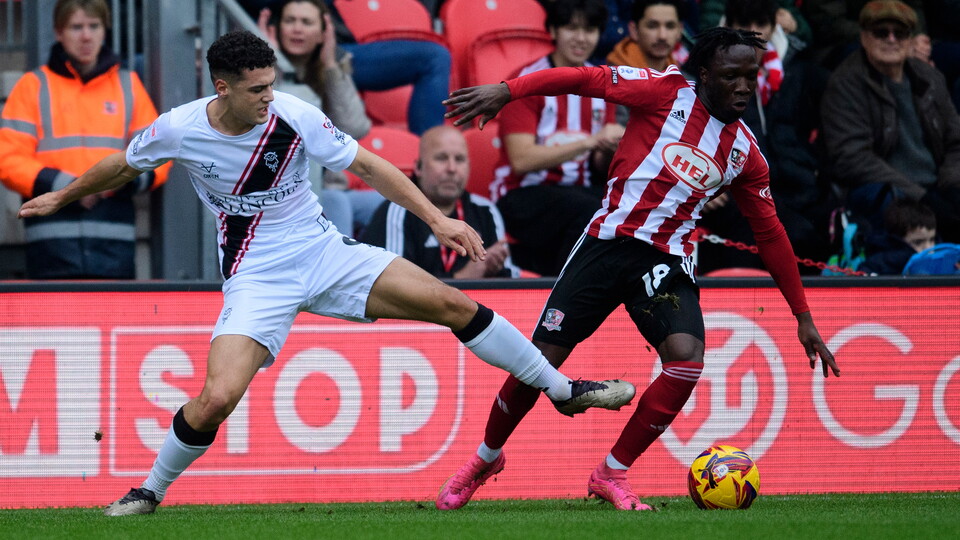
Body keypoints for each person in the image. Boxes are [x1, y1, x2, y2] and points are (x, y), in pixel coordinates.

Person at [16, 30, 636, 516]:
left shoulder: (293, 115)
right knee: (215, 399)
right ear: (222, 86)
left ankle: (561, 390)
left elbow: (371, 167)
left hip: (323, 251)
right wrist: (60, 196)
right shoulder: (179, 127)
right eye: (256, 88)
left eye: (271, 84)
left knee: (452, 303)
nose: (269, 97)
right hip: (256, 275)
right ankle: (148, 492)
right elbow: (122, 166)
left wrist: (438, 219)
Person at [437, 26, 840, 511]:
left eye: (750, 77)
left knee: (686, 360)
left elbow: (771, 233)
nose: (743, 87)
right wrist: (506, 90)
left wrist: (802, 315)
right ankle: (485, 459)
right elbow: (584, 79)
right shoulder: (664, 90)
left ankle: (611, 473)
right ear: (706, 73)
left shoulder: (745, 154)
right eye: (731, 76)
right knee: (537, 363)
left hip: (665, 259)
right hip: (605, 247)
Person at [0, 0, 170, 279]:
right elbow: (8, 159)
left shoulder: (128, 85)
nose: (86, 36)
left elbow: (158, 155)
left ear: (105, 30)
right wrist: (70, 188)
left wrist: (104, 184)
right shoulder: (32, 86)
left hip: (114, 243)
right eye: (76, 27)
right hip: (51, 245)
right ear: (59, 32)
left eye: (94, 26)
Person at [491, 0, 623, 277]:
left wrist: (613, 147)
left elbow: (600, 165)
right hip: (522, 195)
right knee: (590, 210)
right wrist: (591, 140)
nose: (581, 38)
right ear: (552, 30)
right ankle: (568, 299)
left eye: (589, 29)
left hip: (577, 193)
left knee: (629, 205)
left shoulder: (605, 83)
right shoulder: (526, 81)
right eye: (571, 28)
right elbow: (521, 160)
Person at [820, 0, 960, 243]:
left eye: (900, 33)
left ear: (910, 40)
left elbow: (956, 141)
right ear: (863, 37)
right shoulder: (844, 84)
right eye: (881, 32)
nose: (891, 40)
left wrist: (949, 186)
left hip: (937, 186)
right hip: (885, 190)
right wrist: (921, 196)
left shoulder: (930, 77)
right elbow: (852, 159)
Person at [257, 0, 383, 237]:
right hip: (283, 193)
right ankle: (338, 274)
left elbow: (356, 127)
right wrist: (269, 62)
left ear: (322, 34)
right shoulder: (258, 73)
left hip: (329, 188)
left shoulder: (331, 70)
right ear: (277, 27)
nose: (297, 29)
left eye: (306, 22)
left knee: (393, 206)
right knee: (335, 201)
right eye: (290, 20)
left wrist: (331, 65)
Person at [363, 125, 519, 279]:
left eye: (459, 159)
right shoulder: (397, 210)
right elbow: (393, 288)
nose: (452, 168)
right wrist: (461, 278)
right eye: (441, 158)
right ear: (418, 167)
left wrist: (495, 271)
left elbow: (511, 283)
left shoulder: (486, 210)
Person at [324, 0, 451, 135]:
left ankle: (429, 150)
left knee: (435, 57)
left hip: (340, 49)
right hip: (320, 50)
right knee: (434, 57)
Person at [605, 0, 686, 74]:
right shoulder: (610, 78)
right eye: (652, 26)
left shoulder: (684, 81)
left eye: (670, 26)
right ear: (634, 30)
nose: (662, 36)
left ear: (680, 30)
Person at [859, 199, 936, 275]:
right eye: (918, 242)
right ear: (896, 242)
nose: (929, 248)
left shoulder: (939, 263)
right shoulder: (874, 266)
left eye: (932, 240)